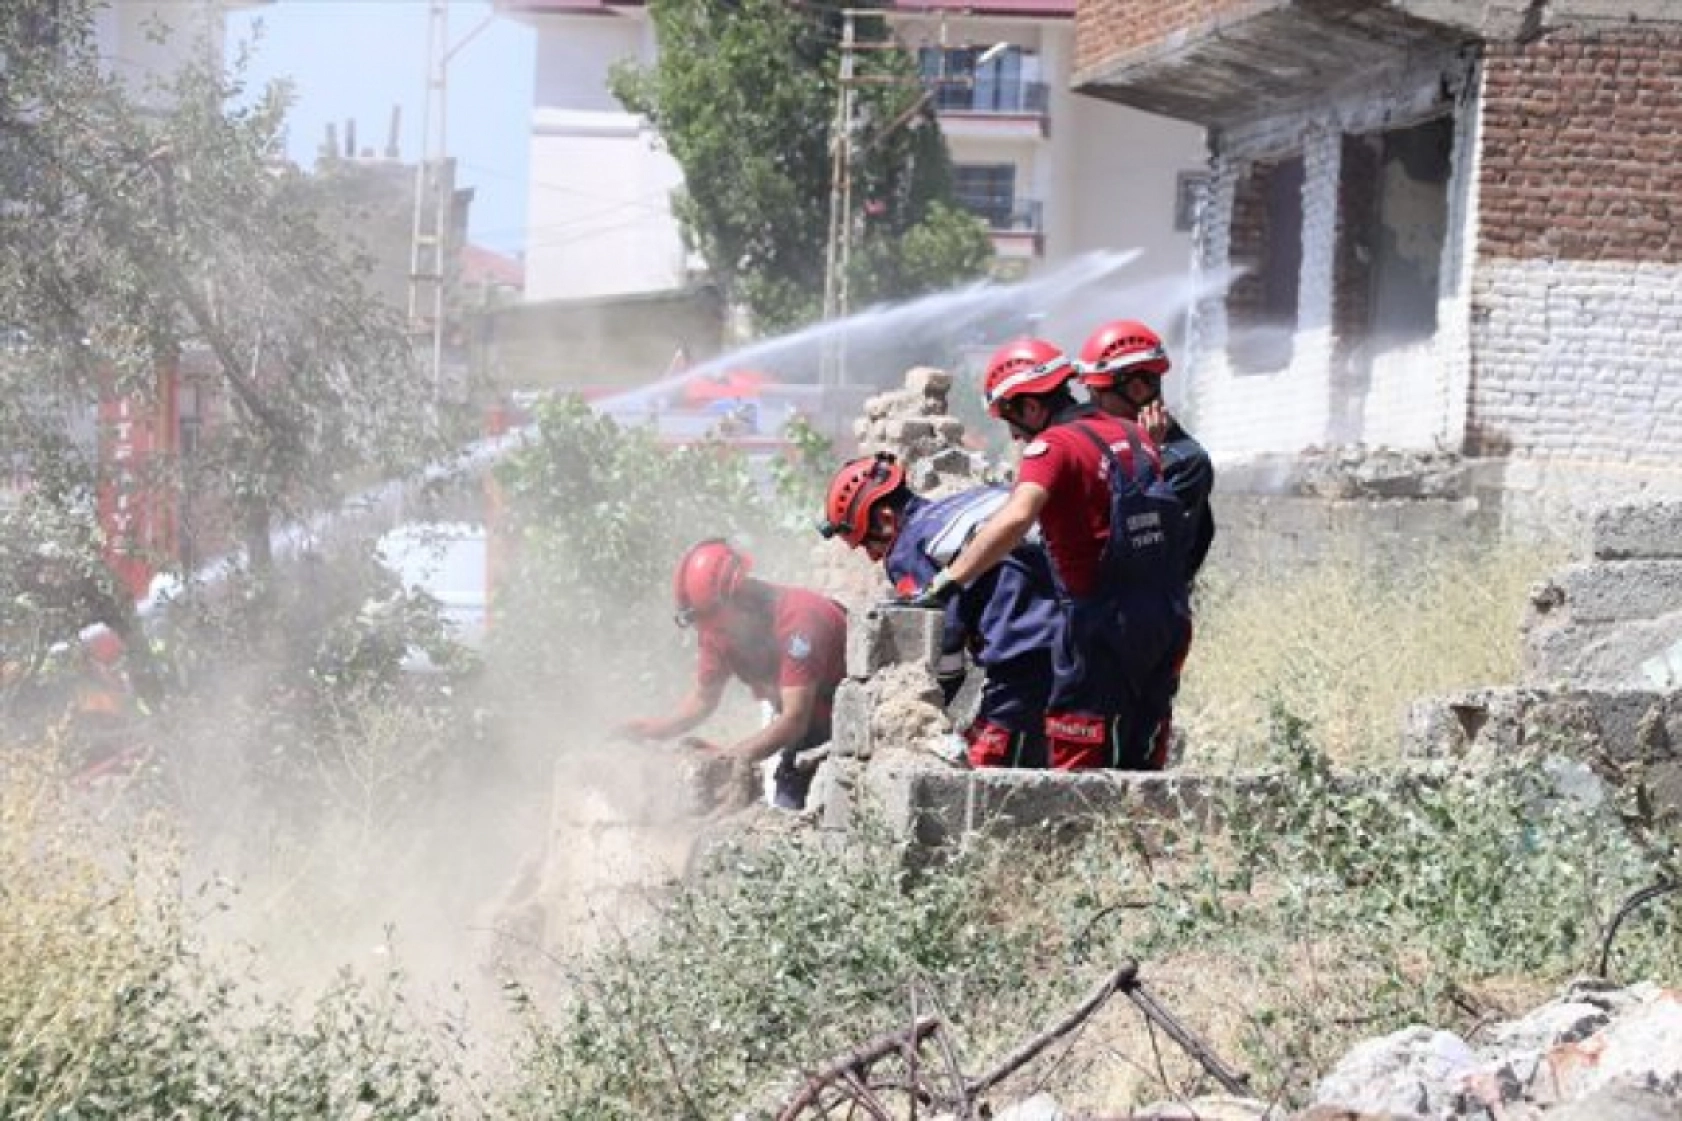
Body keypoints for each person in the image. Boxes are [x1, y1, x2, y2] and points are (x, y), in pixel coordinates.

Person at [903, 338, 1190, 772]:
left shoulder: (1052, 448)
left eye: (1012, 420)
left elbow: (1016, 518)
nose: (1015, 435)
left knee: (1079, 767)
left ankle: (1084, 839)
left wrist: (947, 584)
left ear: (1033, 407)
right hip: (1166, 618)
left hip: (1100, 627)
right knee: (1143, 757)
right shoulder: (1135, 433)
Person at [818, 452, 1061, 769]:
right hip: (1084, 635)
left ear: (887, 520)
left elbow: (941, 637)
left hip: (1025, 656)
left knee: (983, 774)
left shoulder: (908, 548)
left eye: (868, 543)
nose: (873, 557)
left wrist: (923, 701)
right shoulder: (968, 503)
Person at [617, 538, 847, 810]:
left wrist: (727, 760)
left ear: (739, 596)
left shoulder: (800, 619)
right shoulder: (717, 628)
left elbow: (794, 718)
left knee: (802, 817)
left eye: (711, 618)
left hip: (842, 732)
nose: (707, 631)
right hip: (801, 732)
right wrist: (653, 730)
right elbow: (703, 699)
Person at [1075, 319, 1216, 583]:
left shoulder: (1185, 462)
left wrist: (1145, 458)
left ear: (1137, 390)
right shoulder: (1105, 443)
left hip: (1147, 614)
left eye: (1096, 395)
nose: (1092, 406)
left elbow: (1141, 544)